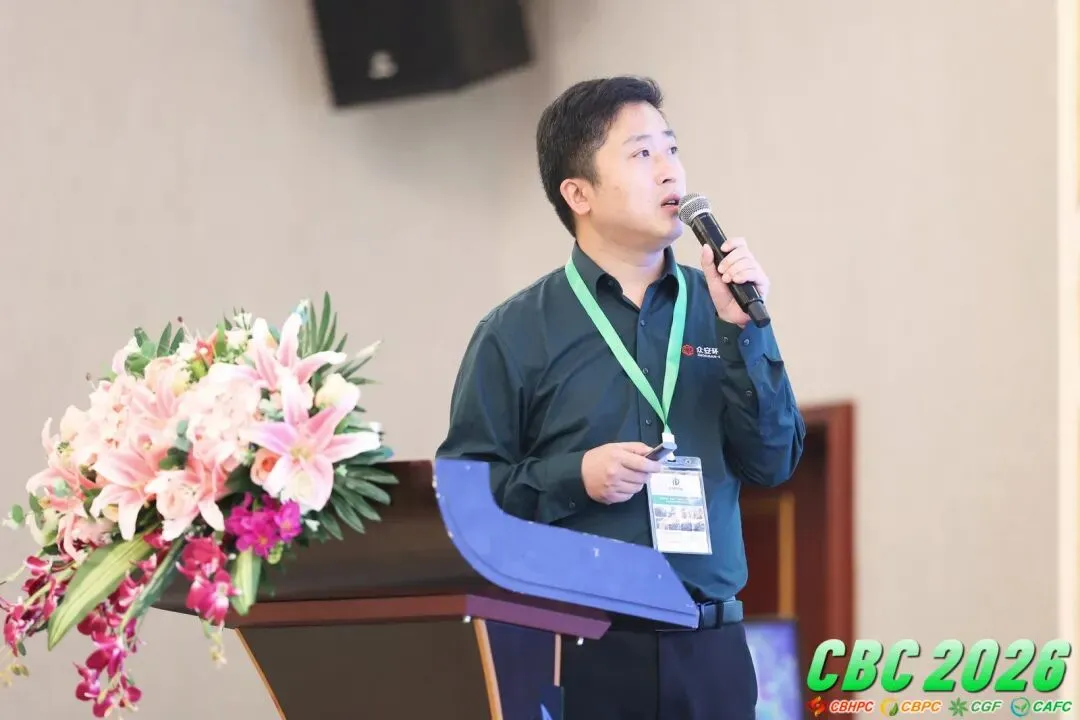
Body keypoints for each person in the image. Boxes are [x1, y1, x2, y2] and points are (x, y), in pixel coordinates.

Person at [436, 76, 806, 720]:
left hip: (711, 649)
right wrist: (572, 478)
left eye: (672, 148)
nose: (670, 170)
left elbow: (774, 461)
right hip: (582, 654)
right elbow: (465, 502)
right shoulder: (515, 332)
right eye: (642, 154)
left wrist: (745, 332)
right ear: (578, 193)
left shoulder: (720, 307)